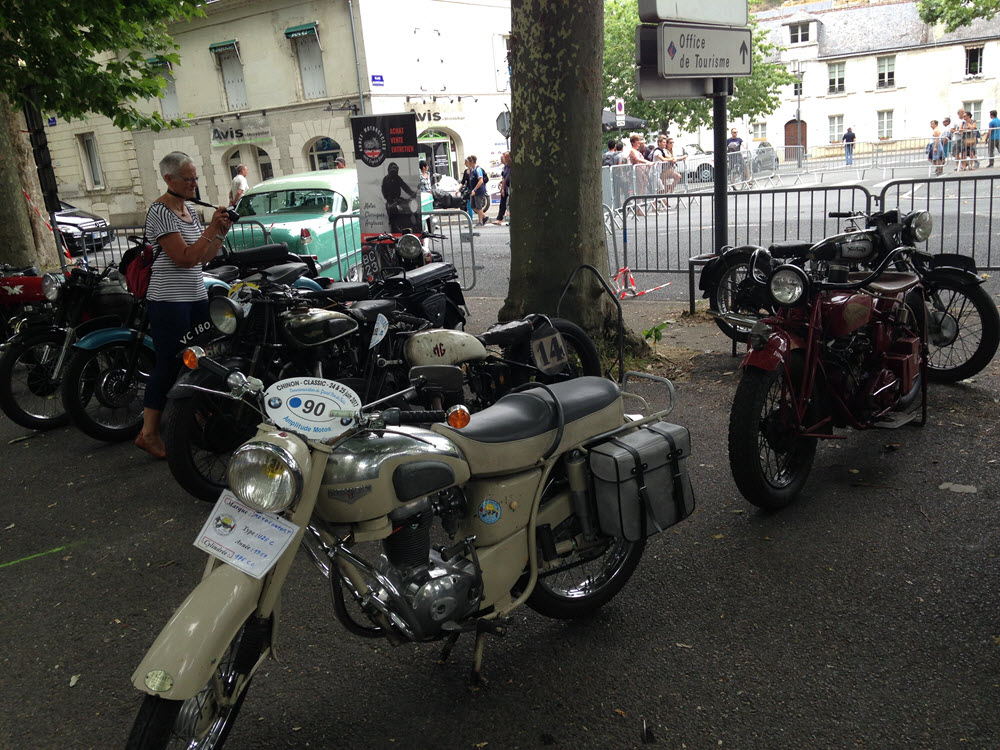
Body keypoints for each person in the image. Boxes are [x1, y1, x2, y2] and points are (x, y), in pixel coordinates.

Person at [135, 151, 232, 459]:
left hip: (195, 295)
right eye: (188, 179)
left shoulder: (188, 209)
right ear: (169, 179)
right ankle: (149, 433)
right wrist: (210, 230)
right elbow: (184, 258)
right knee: (169, 363)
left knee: (201, 359)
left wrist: (220, 232)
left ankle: (195, 419)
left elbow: (203, 258)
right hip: (168, 300)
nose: (194, 184)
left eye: (195, 178)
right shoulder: (160, 211)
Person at [380, 161, 420, 233]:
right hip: (391, 202)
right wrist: (389, 199)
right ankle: (393, 229)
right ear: (389, 170)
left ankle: (414, 225)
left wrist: (412, 193)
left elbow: (404, 186)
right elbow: (384, 191)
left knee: (408, 207)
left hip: (398, 199)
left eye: (395, 170)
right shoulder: (386, 179)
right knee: (392, 216)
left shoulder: (397, 178)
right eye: (393, 170)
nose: (394, 171)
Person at [467, 155, 489, 226]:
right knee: (473, 206)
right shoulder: (472, 170)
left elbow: (481, 181)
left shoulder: (478, 169)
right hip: (473, 191)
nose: (467, 163)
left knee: (479, 207)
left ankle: (480, 222)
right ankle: (484, 216)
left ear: (471, 162)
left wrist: (475, 190)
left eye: (468, 162)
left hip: (478, 191)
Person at [493, 151, 511, 225]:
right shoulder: (506, 167)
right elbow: (504, 177)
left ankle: (510, 220)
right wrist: (502, 188)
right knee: (504, 204)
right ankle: (500, 219)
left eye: (506, 157)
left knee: (509, 204)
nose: (504, 159)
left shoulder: (513, 166)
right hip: (506, 188)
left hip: (510, 188)